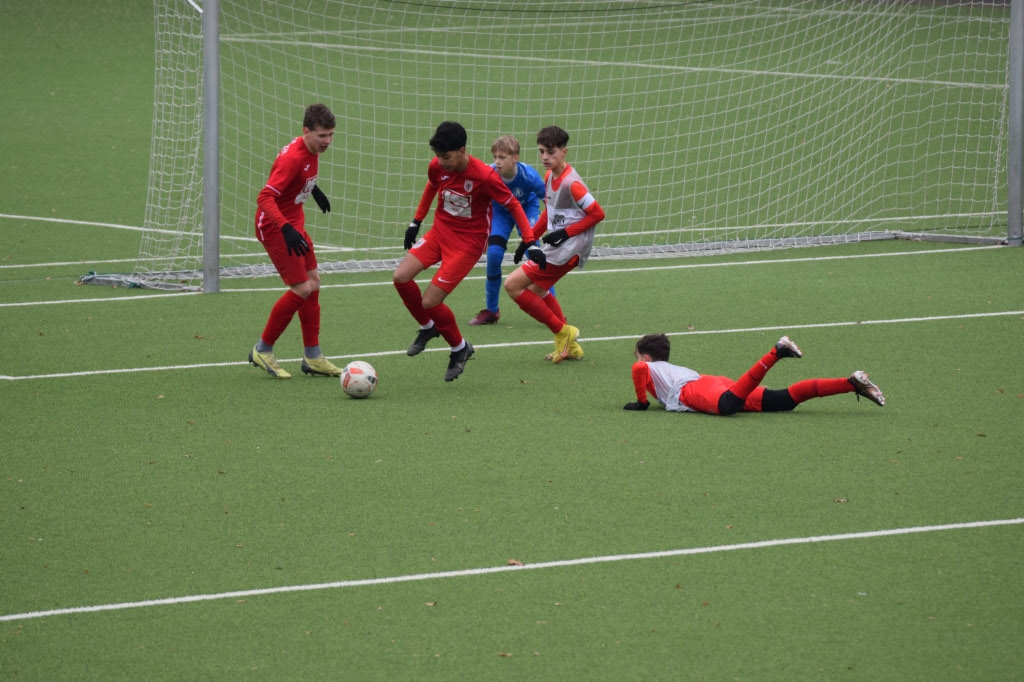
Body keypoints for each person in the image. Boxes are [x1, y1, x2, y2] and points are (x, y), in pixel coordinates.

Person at [395, 121, 547, 381]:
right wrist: (416, 222)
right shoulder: (437, 166)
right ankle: (428, 327)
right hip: (439, 234)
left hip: (467, 245)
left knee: (430, 301)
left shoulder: (484, 176)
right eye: (438, 156)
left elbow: (513, 204)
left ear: (462, 151)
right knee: (400, 277)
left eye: (446, 156)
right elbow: (432, 185)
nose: (441, 162)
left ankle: (460, 348)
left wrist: (530, 241)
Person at [248, 103, 342, 379]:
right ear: (306, 131)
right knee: (302, 288)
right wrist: (286, 228)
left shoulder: (309, 149)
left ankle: (313, 356)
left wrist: (313, 189)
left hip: (294, 223)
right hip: (276, 227)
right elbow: (265, 197)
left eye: (331, 135)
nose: (327, 141)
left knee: (314, 283)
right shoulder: (292, 158)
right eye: (322, 135)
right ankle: (262, 349)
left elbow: (299, 174)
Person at [504, 125, 606, 363]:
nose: (545, 157)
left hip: (571, 247)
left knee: (512, 285)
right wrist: (528, 240)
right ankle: (570, 346)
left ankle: (563, 332)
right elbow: (548, 212)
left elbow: (597, 214)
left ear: (564, 152)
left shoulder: (572, 184)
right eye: (541, 151)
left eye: (551, 152)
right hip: (561, 245)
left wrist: (565, 233)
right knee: (537, 291)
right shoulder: (550, 176)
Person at [623, 334, 886, 414]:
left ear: (646, 357)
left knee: (727, 407)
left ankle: (777, 351)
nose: (637, 362)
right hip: (710, 382)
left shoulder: (647, 367)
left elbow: (638, 369)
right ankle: (851, 383)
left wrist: (641, 403)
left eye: (637, 355)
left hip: (694, 389)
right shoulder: (666, 369)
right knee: (783, 401)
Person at [468, 135, 549, 326]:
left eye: (502, 157)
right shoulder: (489, 173)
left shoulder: (529, 176)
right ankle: (492, 310)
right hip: (500, 212)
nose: (497, 161)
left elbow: (549, 199)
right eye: (495, 157)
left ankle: (550, 308)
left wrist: (556, 223)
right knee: (494, 255)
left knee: (534, 254)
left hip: (526, 209)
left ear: (515, 158)